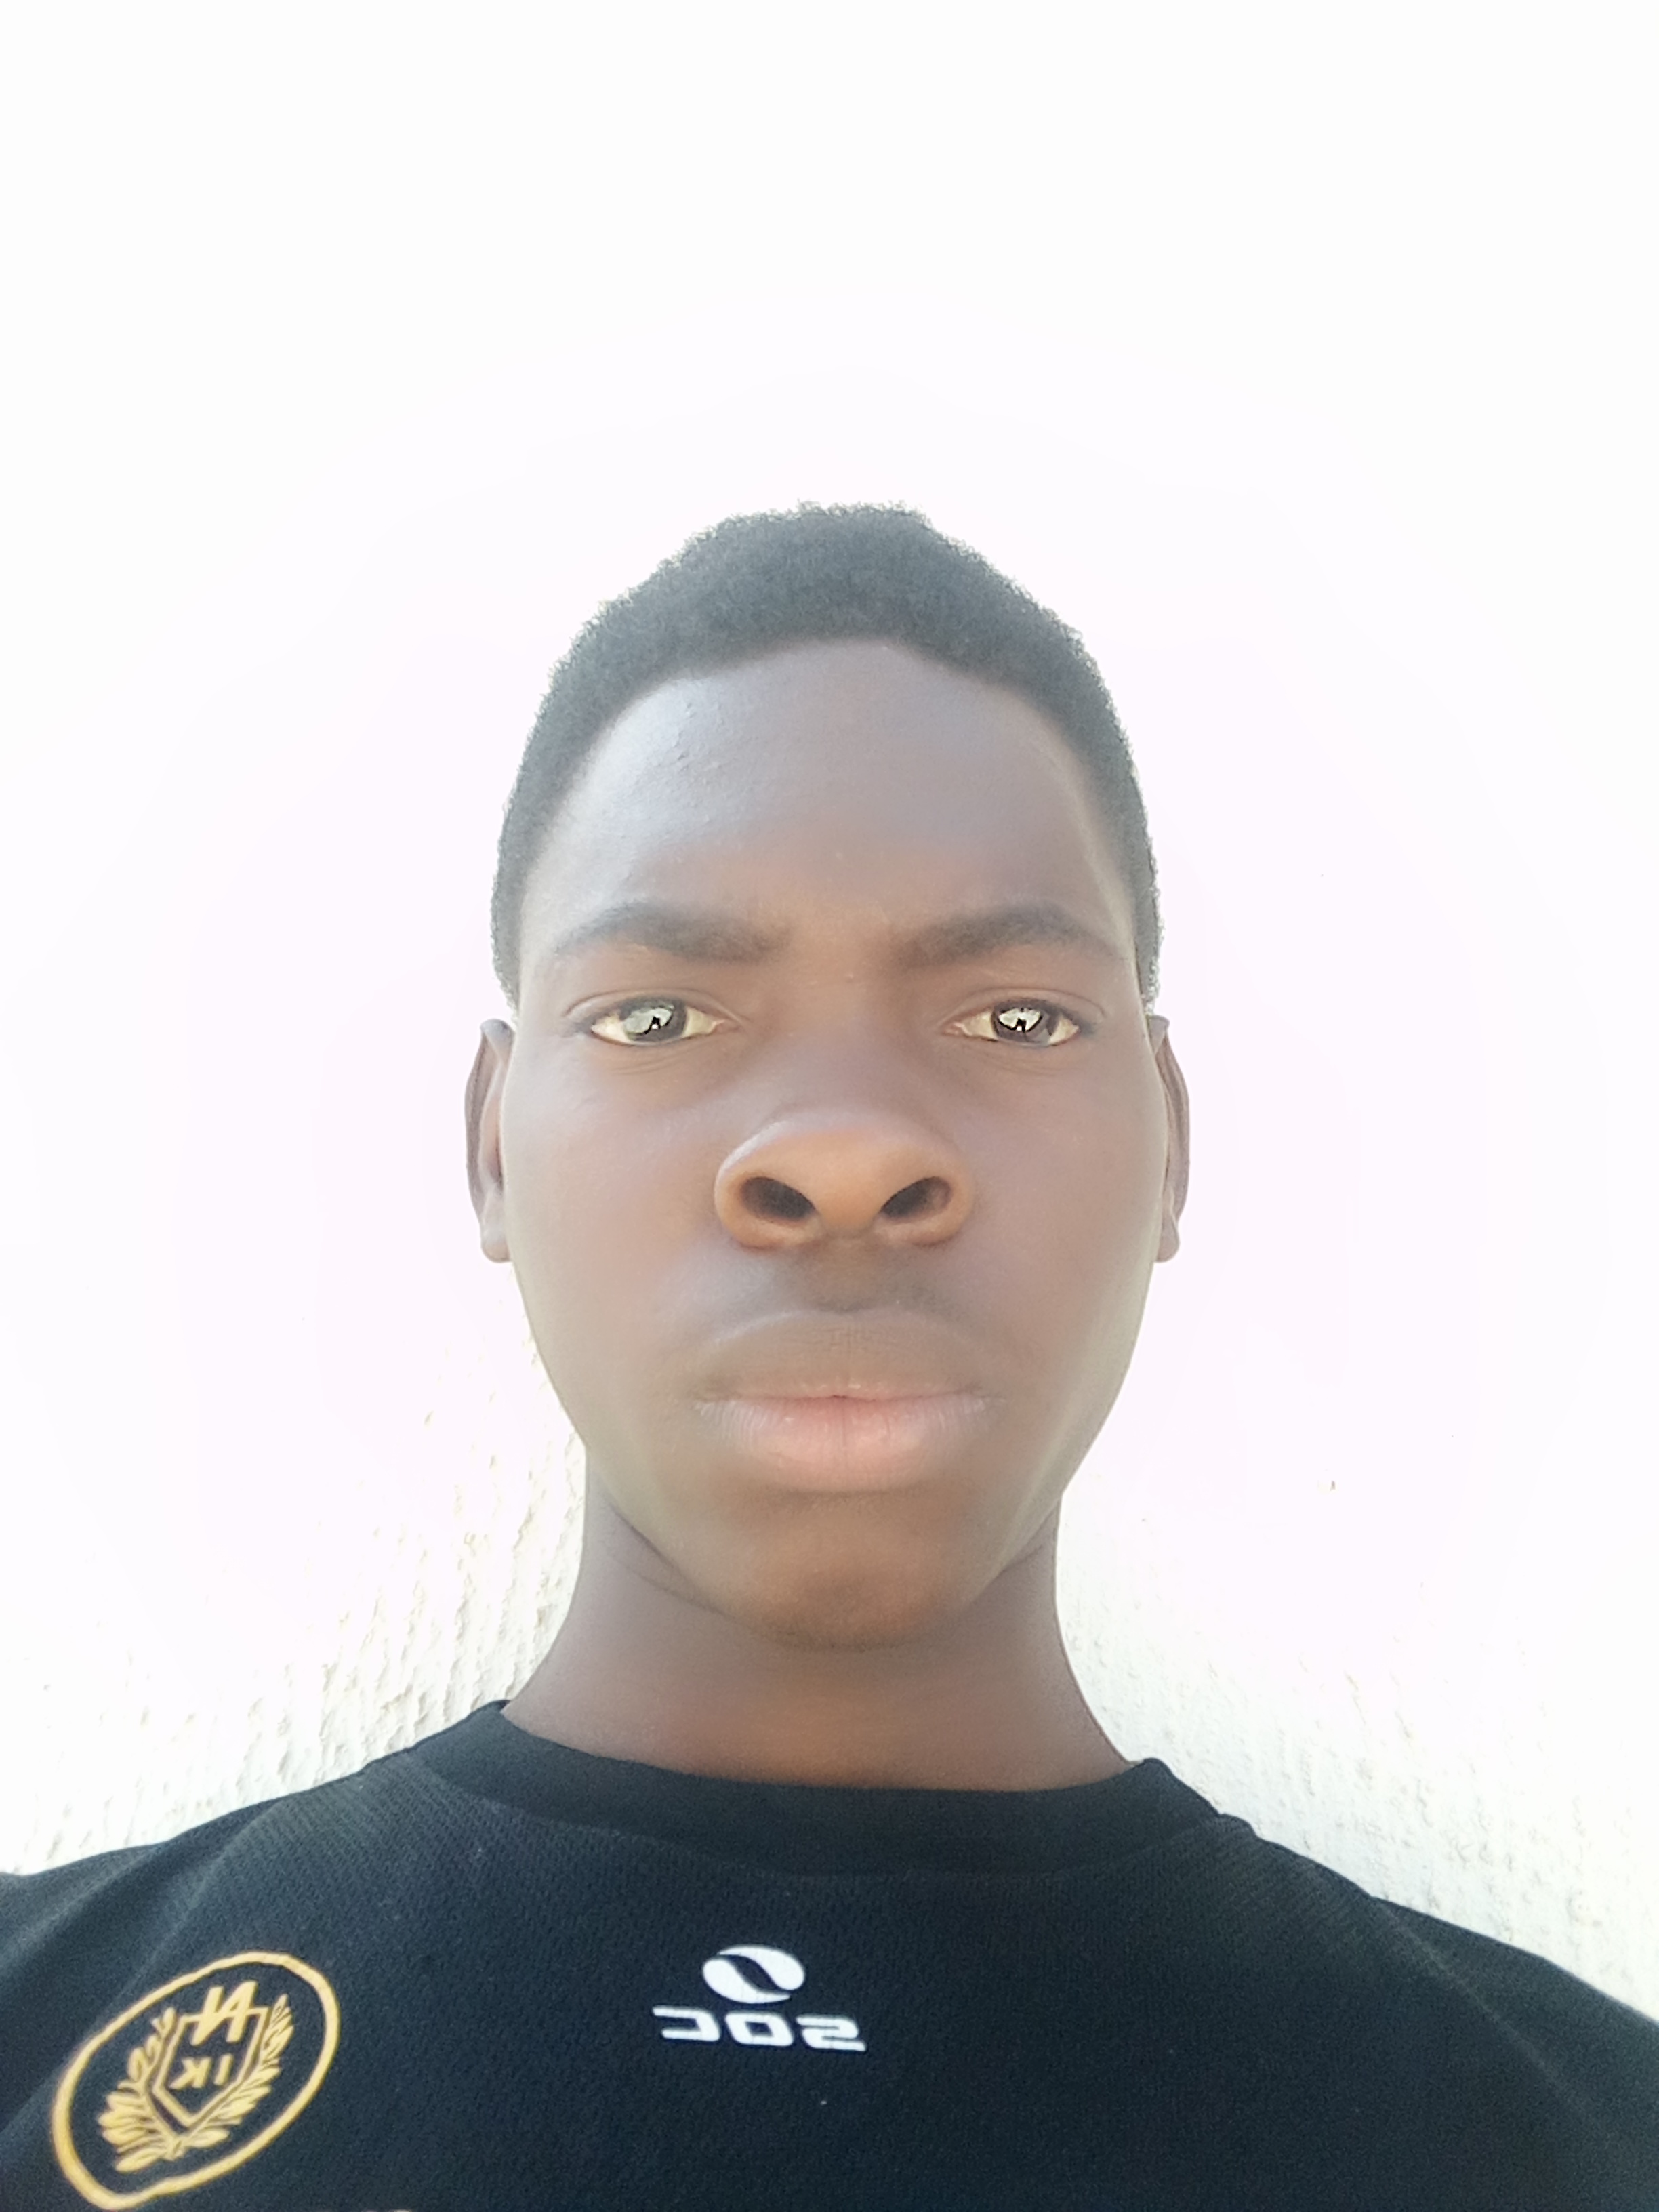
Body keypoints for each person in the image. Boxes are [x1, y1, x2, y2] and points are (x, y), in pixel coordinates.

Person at [2, 506, 1655, 2212]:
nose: (846, 1150)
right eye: (657, 1017)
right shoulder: (37, 2030)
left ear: (1170, 1146)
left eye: (1017, 1017)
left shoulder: (1589, 2141)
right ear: (492, 1149)